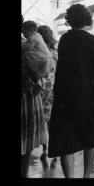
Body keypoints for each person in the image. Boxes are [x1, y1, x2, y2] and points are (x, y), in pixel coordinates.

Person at [48, 4, 94, 178]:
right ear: (87, 19)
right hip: (87, 99)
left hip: (64, 98)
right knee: (90, 137)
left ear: (70, 21)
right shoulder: (92, 41)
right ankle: (85, 177)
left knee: (66, 140)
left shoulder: (64, 40)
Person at [21, 18, 48, 177]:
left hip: (27, 95)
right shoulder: (30, 43)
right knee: (27, 138)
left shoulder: (27, 44)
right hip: (30, 96)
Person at [37, 25, 58, 167]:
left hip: (41, 88)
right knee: (51, 121)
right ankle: (53, 150)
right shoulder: (55, 52)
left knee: (43, 120)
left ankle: (45, 149)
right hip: (53, 89)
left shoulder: (39, 51)